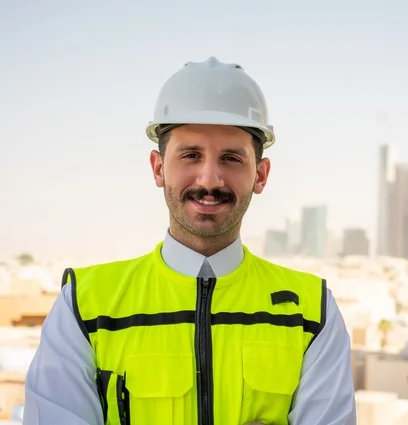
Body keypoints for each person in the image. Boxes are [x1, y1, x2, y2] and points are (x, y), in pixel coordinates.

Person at [23, 56, 357, 425]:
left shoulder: (311, 313)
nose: (210, 179)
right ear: (158, 168)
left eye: (231, 158)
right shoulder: (85, 307)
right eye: (191, 155)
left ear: (260, 175)